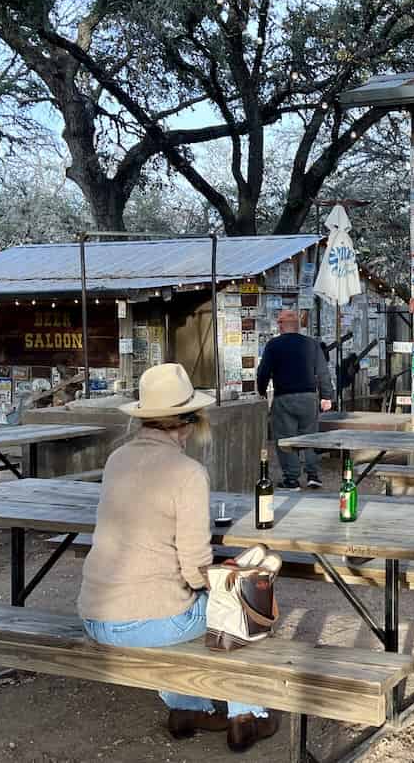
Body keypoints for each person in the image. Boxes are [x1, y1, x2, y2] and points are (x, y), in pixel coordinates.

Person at [78, 363, 280, 752]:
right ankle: (246, 714)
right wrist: (234, 578)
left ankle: (188, 707)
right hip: (142, 623)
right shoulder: (188, 473)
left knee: (188, 599)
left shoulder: (117, 459)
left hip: (94, 614)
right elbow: (194, 569)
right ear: (189, 421)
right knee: (247, 603)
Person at [256, 309, 334, 490]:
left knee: (285, 438)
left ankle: (291, 479)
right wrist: (326, 396)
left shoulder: (273, 345)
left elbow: (263, 372)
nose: (278, 325)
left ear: (282, 325)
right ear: (297, 326)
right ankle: (313, 474)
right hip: (308, 397)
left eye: (279, 323)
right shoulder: (311, 344)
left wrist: (261, 390)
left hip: (285, 397)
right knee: (310, 436)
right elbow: (323, 372)